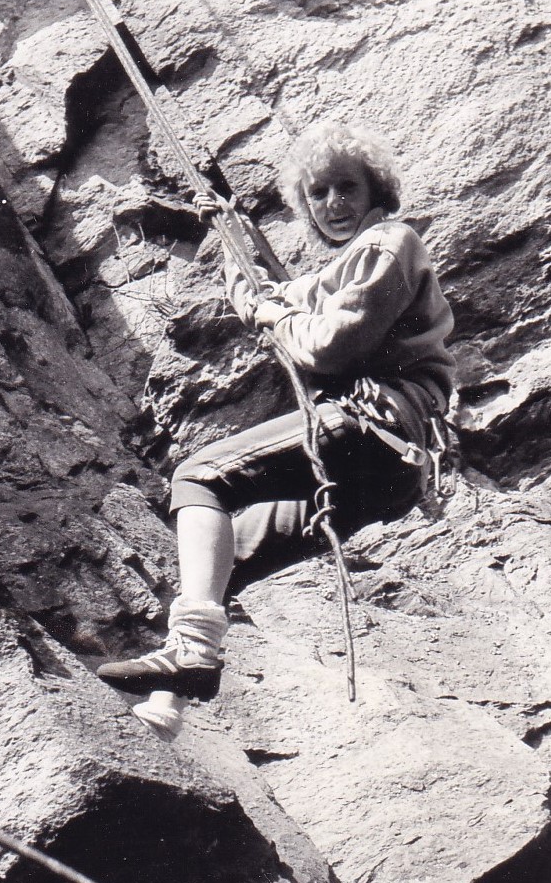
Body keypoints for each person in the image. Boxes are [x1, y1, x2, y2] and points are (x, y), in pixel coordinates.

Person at [96, 120, 455, 713]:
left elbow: (328, 345)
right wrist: (230, 235)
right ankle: (167, 706)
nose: (333, 203)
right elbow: (264, 301)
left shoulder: (389, 244)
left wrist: (274, 315)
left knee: (198, 477)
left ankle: (192, 657)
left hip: (377, 427)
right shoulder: (336, 275)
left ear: (376, 191)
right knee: (222, 558)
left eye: (347, 187)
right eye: (318, 193)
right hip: (381, 473)